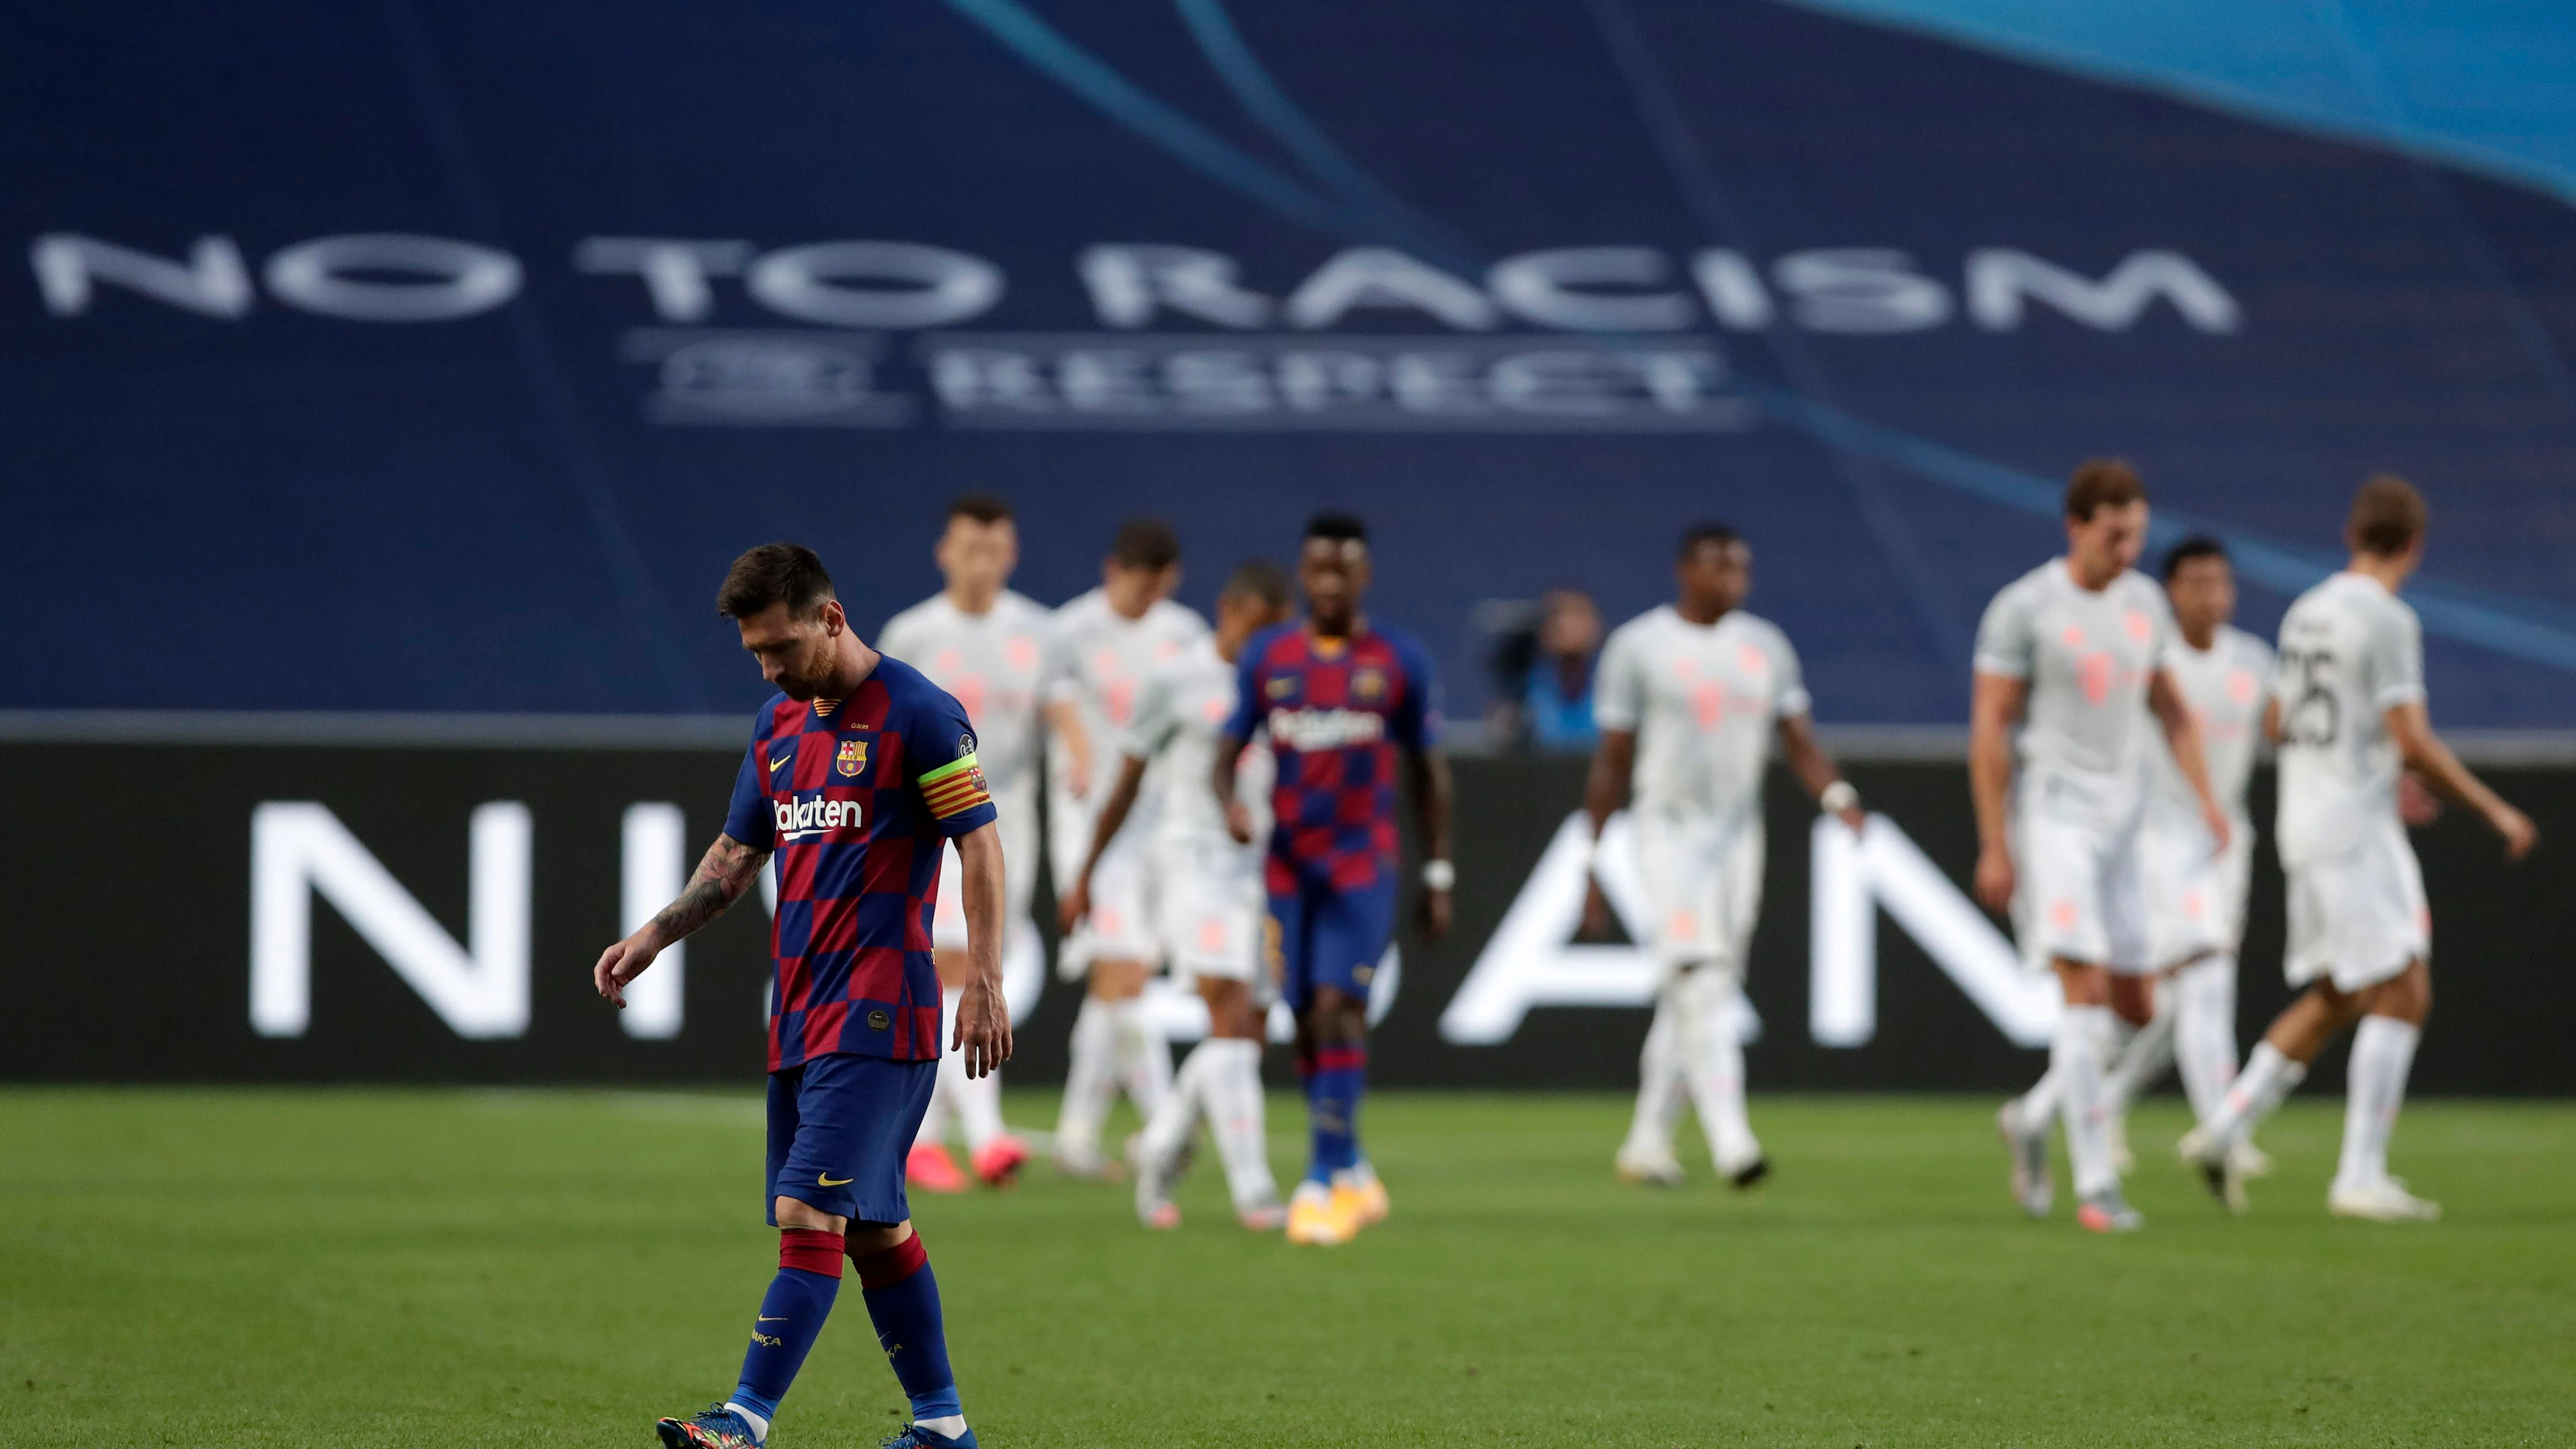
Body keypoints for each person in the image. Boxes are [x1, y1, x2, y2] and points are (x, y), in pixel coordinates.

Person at [592, 542, 1009, 1449]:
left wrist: (981, 977)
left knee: (806, 1212)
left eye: (781, 647)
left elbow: (978, 842)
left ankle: (745, 1416)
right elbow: (736, 856)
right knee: (874, 1227)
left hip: (880, 1009)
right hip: (801, 1015)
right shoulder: (777, 727)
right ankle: (943, 1425)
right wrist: (652, 935)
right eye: (755, 654)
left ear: (831, 615)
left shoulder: (920, 714)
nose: (771, 668)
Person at [2181, 477, 2537, 1220]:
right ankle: (2359, 1176)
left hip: (2304, 821)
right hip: (2351, 827)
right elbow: (2412, 736)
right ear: (2412, 544)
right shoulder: (2387, 618)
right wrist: (2492, 807)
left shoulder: (2306, 610)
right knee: (2405, 985)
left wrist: (2373, 763)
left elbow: (2277, 719)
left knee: (2339, 993)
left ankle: (2222, 1129)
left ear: (2351, 535)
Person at [1973, 459, 2233, 1234]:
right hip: (2054, 815)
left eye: (2136, 535)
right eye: (2114, 534)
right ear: (2076, 526)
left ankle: (2031, 1116)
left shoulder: (2143, 603)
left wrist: (2206, 800)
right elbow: (1989, 727)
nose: (2126, 549)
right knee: (2080, 989)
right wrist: (1995, 840)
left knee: (2135, 1004)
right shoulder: (2025, 607)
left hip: (2128, 823)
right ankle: (2095, 1184)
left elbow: (2171, 710)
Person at [1583, 525, 1864, 1189]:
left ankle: (1647, 1142)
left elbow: (1798, 738)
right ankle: (1733, 1140)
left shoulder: (1764, 646)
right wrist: (1591, 855)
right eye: (1719, 567)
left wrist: (1838, 795)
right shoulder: (1639, 646)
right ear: (1686, 570)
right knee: (1700, 980)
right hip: (1666, 830)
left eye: (1741, 568)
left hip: (1739, 838)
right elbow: (1613, 757)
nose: (1732, 580)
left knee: (1693, 995)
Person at [1215, 511, 1452, 1246]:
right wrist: (1228, 800)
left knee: (1337, 1005)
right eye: (1316, 569)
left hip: (1361, 863)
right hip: (1288, 867)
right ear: (1302, 574)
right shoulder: (1268, 656)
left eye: (1341, 570)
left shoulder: (1398, 660)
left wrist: (1438, 869)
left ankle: (1320, 1183)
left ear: (1363, 576)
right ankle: (1350, 1164)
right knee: (1302, 1021)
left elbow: (1429, 772)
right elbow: (1225, 750)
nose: (1327, 582)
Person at [1062, 560, 1296, 1230]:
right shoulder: (1175, 678)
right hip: (1194, 863)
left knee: (1248, 1036)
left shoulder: (1283, 683)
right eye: (1256, 627)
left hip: (1262, 871)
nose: (1263, 644)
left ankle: (1162, 1143)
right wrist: (1086, 872)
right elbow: (1127, 779)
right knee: (1224, 1012)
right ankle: (1254, 1189)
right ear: (1229, 609)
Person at [879, 493, 1047, 1193]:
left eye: (995, 549)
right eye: (968, 547)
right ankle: (986, 1135)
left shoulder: (1041, 632)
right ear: (944, 551)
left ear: (1011, 554)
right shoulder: (914, 633)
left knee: (983, 967)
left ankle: (922, 1138)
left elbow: (1065, 718)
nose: (982, 562)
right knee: (957, 963)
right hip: (937, 816)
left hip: (1013, 820)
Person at [2094, 537, 2275, 1179]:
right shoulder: (2151, 657)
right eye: (2197, 582)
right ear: (2171, 589)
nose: (2212, 595)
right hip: (2159, 838)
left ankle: (2102, 1099)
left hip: (2227, 840)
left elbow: (2290, 730)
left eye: (2221, 582)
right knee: (2209, 978)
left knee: (2175, 1005)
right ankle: (2223, 1130)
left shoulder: (2253, 660)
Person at [1043, 519, 1211, 1176]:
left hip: (1163, 825)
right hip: (1091, 827)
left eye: (1158, 588)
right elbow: (1055, 698)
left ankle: (1076, 1137)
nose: (1146, 600)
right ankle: (1165, 1124)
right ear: (1115, 570)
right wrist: (1083, 756)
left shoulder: (1183, 636)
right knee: (1125, 973)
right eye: (1138, 585)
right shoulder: (1072, 629)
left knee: (1115, 987)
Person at [1524, 588, 1603, 751]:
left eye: (1577, 615)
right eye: (1556, 616)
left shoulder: (1613, 687)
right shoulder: (1524, 691)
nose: (1566, 624)